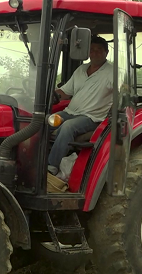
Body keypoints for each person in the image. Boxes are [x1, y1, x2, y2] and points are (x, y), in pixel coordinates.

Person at [47, 35, 113, 175]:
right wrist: (47, 94)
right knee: (44, 122)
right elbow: (65, 92)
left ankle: (51, 166)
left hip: (92, 118)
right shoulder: (81, 70)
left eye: (99, 50)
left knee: (68, 127)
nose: (94, 53)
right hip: (70, 112)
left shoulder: (112, 72)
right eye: (91, 50)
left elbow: (123, 91)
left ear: (106, 52)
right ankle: (34, 158)